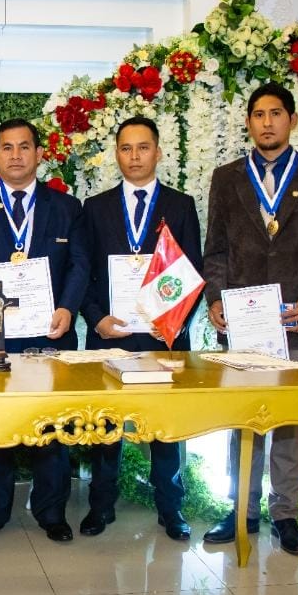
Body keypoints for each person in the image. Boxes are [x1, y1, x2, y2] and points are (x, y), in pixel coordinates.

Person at [201, 82, 298, 555]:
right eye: (258, 114)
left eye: (275, 113)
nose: (266, 122)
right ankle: (241, 510)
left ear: (293, 120)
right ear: (248, 122)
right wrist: (215, 299)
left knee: (289, 423)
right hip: (243, 324)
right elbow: (216, 251)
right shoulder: (227, 177)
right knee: (242, 419)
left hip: (295, 322)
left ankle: (285, 514)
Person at [0, 118, 90, 544]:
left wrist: (68, 308)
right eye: (6, 147)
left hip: (50, 334)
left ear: (39, 154)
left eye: (24, 147)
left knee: (52, 428)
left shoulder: (67, 207)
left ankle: (52, 512)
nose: (15, 155)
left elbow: (80, 264)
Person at [79, 115, 202, 540]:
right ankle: (100, 506)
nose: (134, 156)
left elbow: (192, 272)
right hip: (109, 335)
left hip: (162, 337)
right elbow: (83, 271)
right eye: (126, 148)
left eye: (143, 147)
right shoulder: (95, 208)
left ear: (158, 152)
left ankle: (171, 508)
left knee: (167, 428)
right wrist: (96, 317)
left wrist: (170, 322)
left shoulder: (181, 206)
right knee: (104, 427)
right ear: (116, 154)